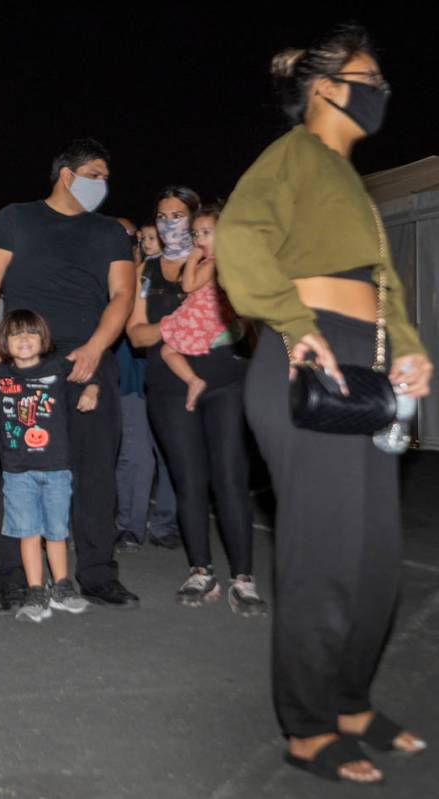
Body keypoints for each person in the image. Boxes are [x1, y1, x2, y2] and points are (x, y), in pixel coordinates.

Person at [217, 25, 431, 783]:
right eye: (367, 76)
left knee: (374, 558)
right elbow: (237, 241)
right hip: (302, 359)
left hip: (360, 365)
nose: (378, 90)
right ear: (324, 87)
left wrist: (405, 345)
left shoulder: (351, 182)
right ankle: (306, 727)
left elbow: (384, 284)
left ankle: (348, 702)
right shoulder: (291, 157)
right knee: (321, 556)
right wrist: (295, 323)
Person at [0, 138, 137, 610]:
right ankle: (17, 578)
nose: (104, 185)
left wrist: (97, 348)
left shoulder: (109, 232)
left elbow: (122, 295)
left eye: (106, 178)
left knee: (95, 470)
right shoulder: (16, 218)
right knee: (17, 470)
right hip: (23, 365)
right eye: (96, 175)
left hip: (89, 359)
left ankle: (98, 574)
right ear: (67, 174)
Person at [127, 186, 263, 614]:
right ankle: (200, 570)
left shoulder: (226, 260)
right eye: (161, 215)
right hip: (169, 385)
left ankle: (243, 577)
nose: (169, 223)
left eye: (178, 215)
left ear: (196, 219)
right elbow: (136, 334)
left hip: (226, 378)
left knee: (230, 478)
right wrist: (178, 323)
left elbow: (246, 322)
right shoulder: (143, 271)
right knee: (188, 480)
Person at [0, 310, 95, 621]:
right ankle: (36, 589)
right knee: (27, 532)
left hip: (56, 467)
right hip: (17, 472)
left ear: (44, 339)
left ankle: (62, 586)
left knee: (57, 531)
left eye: (31, 333)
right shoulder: (2, 375)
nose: (23, 339)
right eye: (15, 334)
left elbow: (91, 370)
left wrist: (92, 389)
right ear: (6, 342)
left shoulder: (57, 367)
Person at [159, 204, 244, 411]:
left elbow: (188, 285)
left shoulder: (211, 263)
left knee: (167, 351)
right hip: (216, 320)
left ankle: (193, 381)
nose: (199, 239)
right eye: (195, 234)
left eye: (206, 233)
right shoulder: (226, 262)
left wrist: (192, 259)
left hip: (201, 319)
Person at [113, 336, 180, 552]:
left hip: (174, 368)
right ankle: (129, 526)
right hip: (132, 368)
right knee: (137, 454)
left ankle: (165, 525)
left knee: (173, 455)